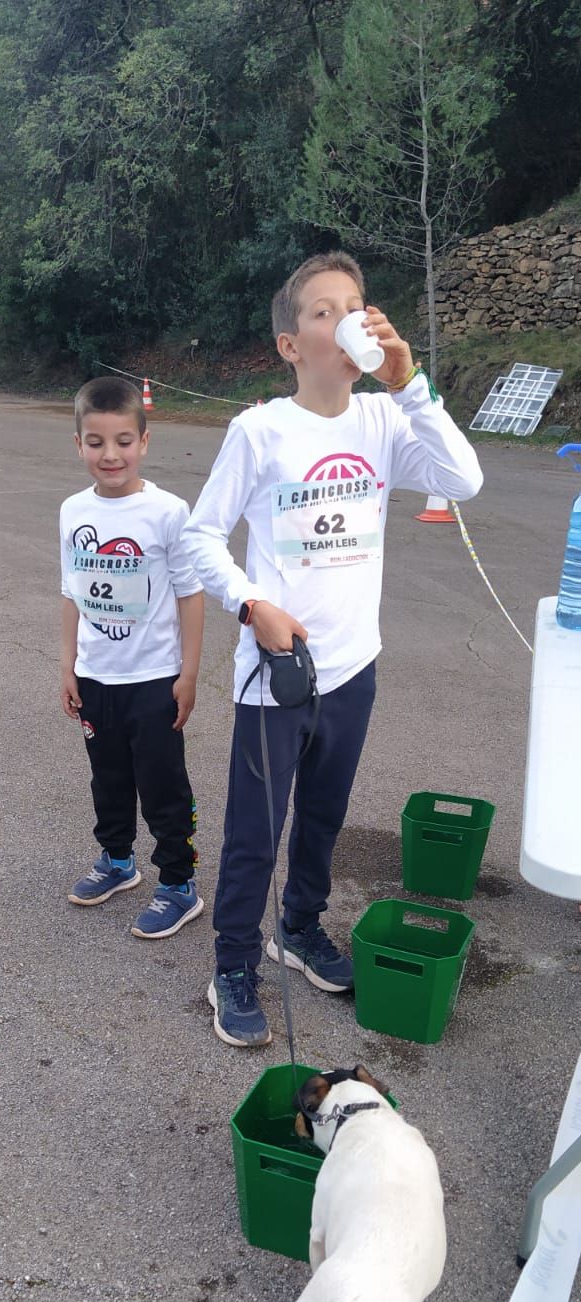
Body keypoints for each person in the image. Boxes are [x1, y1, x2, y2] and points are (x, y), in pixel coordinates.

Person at [183, 250, 483, 1046]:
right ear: (290, 344)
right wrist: (252, 604)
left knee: (322, 815)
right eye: (324, 310)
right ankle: (232, 965)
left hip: (353, 666)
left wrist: (408, 384)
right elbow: (200, 536)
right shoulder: (260, 431)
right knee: (255, 830)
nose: (349, 317)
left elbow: (461, 480)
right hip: (275, 674)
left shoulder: (384, 420)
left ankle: (301, 927)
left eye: (356, 303)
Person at [59, 375, 205, 939]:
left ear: (144, 441)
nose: (110, 454)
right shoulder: (73, 510)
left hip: (154, 679)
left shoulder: (168, 511)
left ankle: (178, 883)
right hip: (97, 677)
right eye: (96, 442)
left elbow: (191, 595)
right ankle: (118, 862)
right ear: (79, 445)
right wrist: (68, 665)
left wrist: (188, 673)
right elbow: (72, 591)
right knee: (108, 778)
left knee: (164, 783)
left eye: (123, 440)